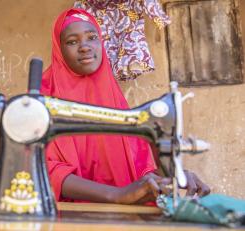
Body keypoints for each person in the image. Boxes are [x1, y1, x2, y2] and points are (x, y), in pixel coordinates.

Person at [40, 8, 210, 204]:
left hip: (121, 214)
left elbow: (139, 169)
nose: (85, 47)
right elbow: (44, 167)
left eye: (92, 37)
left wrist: (174, 176)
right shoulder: (43, 96)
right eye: (72, 41)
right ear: (58, 49)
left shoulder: (111, 93)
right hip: (65, 215)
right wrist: (117, 195)